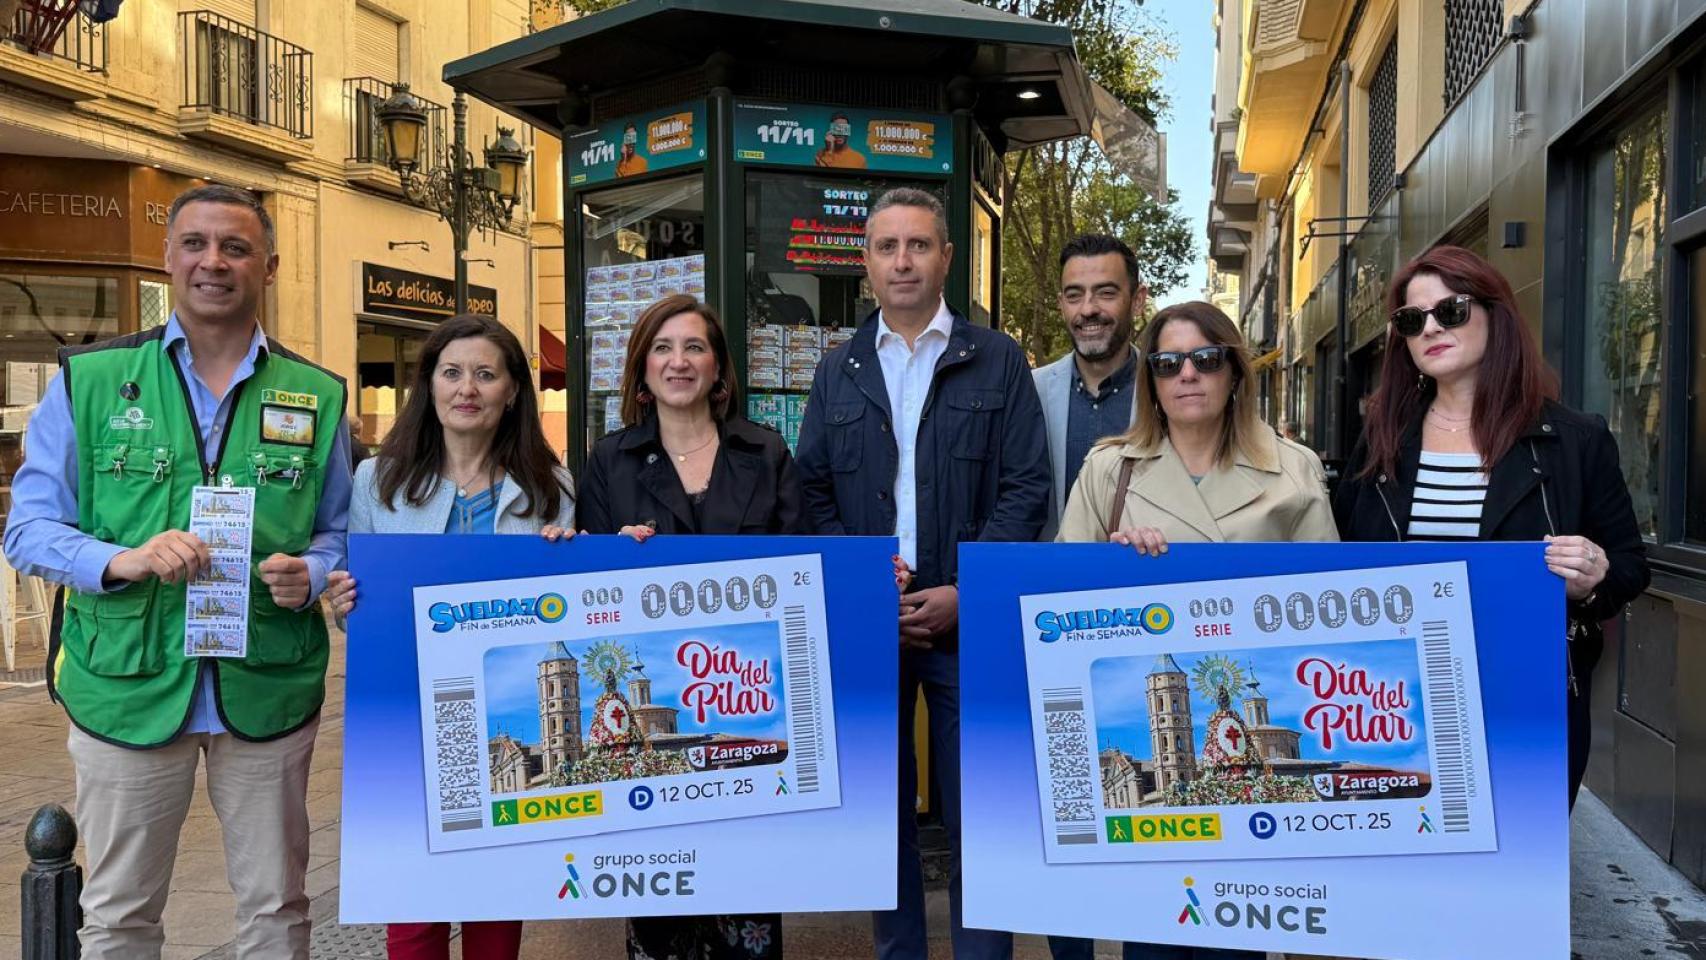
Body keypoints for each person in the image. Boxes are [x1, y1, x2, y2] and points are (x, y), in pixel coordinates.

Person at [2, 184, 353, 960]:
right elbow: (27, 530)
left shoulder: (318, 395)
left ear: (269, 266)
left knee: (278, 907)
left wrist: (315, 568)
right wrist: (121, 559)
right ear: (168, 257)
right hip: (125, 686)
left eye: (235, 247)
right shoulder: (91, 380)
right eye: (195, 243)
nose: (213, 261)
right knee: (119, 915)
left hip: (265, 682)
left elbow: (341, 529)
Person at [795, 187, 1050, 960]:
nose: (902, 261)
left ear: (946, 257)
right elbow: (811, 493)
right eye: (887, 246)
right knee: (882, 817)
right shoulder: (837, 371)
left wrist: (966, 593)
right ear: (866, 262)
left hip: (967, 625)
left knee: (981, 815)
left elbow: (1027, 487)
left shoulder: (998, 360)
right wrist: (861, 584)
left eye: (918, 245)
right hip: (873, 625)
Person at [1055, 301, 1333, 960]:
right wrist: (1113, 570)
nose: (1187, 374)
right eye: (1167, 362)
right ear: (1150, 380)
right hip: (1161, 778)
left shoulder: (1294, 469)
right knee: (1154, 935)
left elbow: (1326, 605)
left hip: (1242, 776)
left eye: (1206, 359)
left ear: (1234, 371)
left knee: (1242, 931)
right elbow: (1059, 606)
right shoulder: (1109, 469)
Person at [1332, 245, 1648, 808]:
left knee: (1514, 849)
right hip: (1394, 700)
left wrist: (1592, 578)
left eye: (1450, 311)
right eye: (1412, 320)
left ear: (1494, 314)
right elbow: (1337, 558)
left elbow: (1628, 566)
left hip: (1525, 697)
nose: (1431, 328)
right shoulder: (1382, 439)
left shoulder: (1575, 440)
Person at [323, 313, 573, 960]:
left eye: (486, 374)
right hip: (406, 721)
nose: (467, 388)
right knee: (411, 909)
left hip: (499, 715)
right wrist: (344, 602)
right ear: (429, 385)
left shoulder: (553, 490)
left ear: (512, 392)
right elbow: (358, 611)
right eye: (452, 372)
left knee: (496, 902)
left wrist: (573, 560)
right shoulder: (377, 482)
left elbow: (568, 608)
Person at [577, 293, 800, 960]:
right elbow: (587, 592)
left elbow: (806, 568)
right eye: (663, 348)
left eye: (695, 347)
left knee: (749, 913)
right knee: (659, 915)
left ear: (718, 368)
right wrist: (608, 556)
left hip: (747, 702)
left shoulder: (766, 451)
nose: (679, 361)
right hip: (657, 726)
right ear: (642, 370)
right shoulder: (609, 461)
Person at [1033, 234, 1145, 541]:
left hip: (1143, 568)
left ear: (1137, 300)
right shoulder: (1031, 391)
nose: (1088, 309)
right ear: (1061, 304)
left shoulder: (1167, 392)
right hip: (1051, 569)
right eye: (1074, 295)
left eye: (1106, 293)